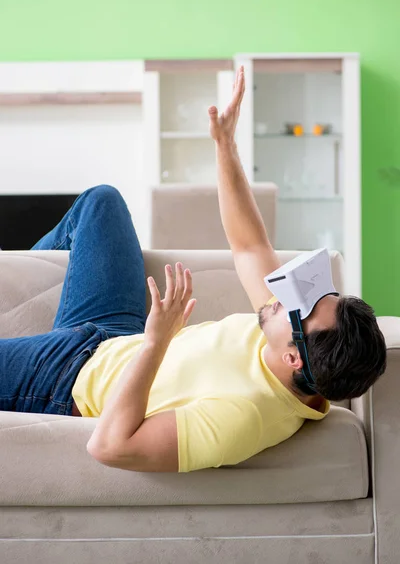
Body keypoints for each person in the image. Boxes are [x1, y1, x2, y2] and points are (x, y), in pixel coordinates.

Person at [0, 68, 386, 473]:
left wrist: (156, 342)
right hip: (114, 335)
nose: (290, 296)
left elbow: (109, 447)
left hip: (67, 379)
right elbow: (250, 245)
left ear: (294, 358)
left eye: (302, 308)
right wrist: (225, 145)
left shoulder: (243, 418)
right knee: (102, 202)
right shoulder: (290, 339)